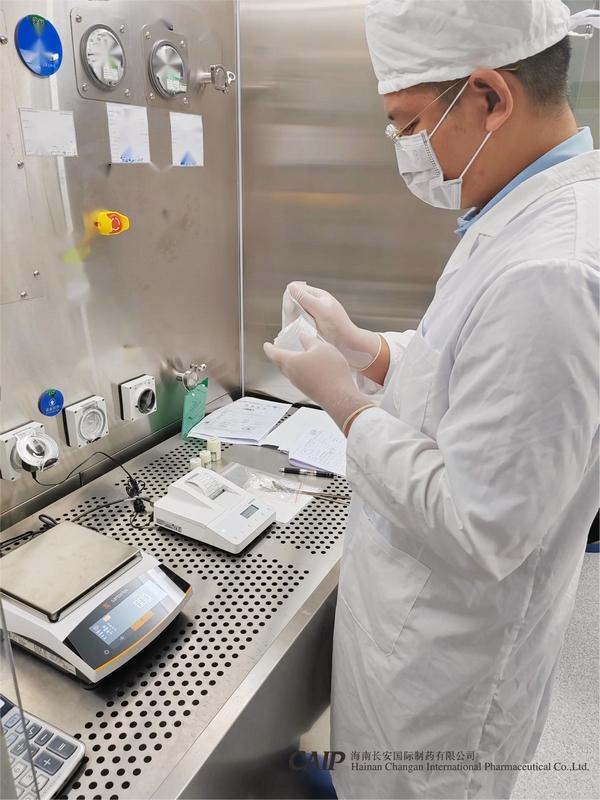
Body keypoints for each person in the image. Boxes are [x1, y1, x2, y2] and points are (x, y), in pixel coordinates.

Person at [264, 1, 600, 798]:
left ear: (489, 96)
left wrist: (348, 407)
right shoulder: (519, 209)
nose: (404, 149)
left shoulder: (552, 269)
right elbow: (474, 367)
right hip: (417, 624)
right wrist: (370, 350)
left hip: (449, 674)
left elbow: (483, 526)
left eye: (409, 123)